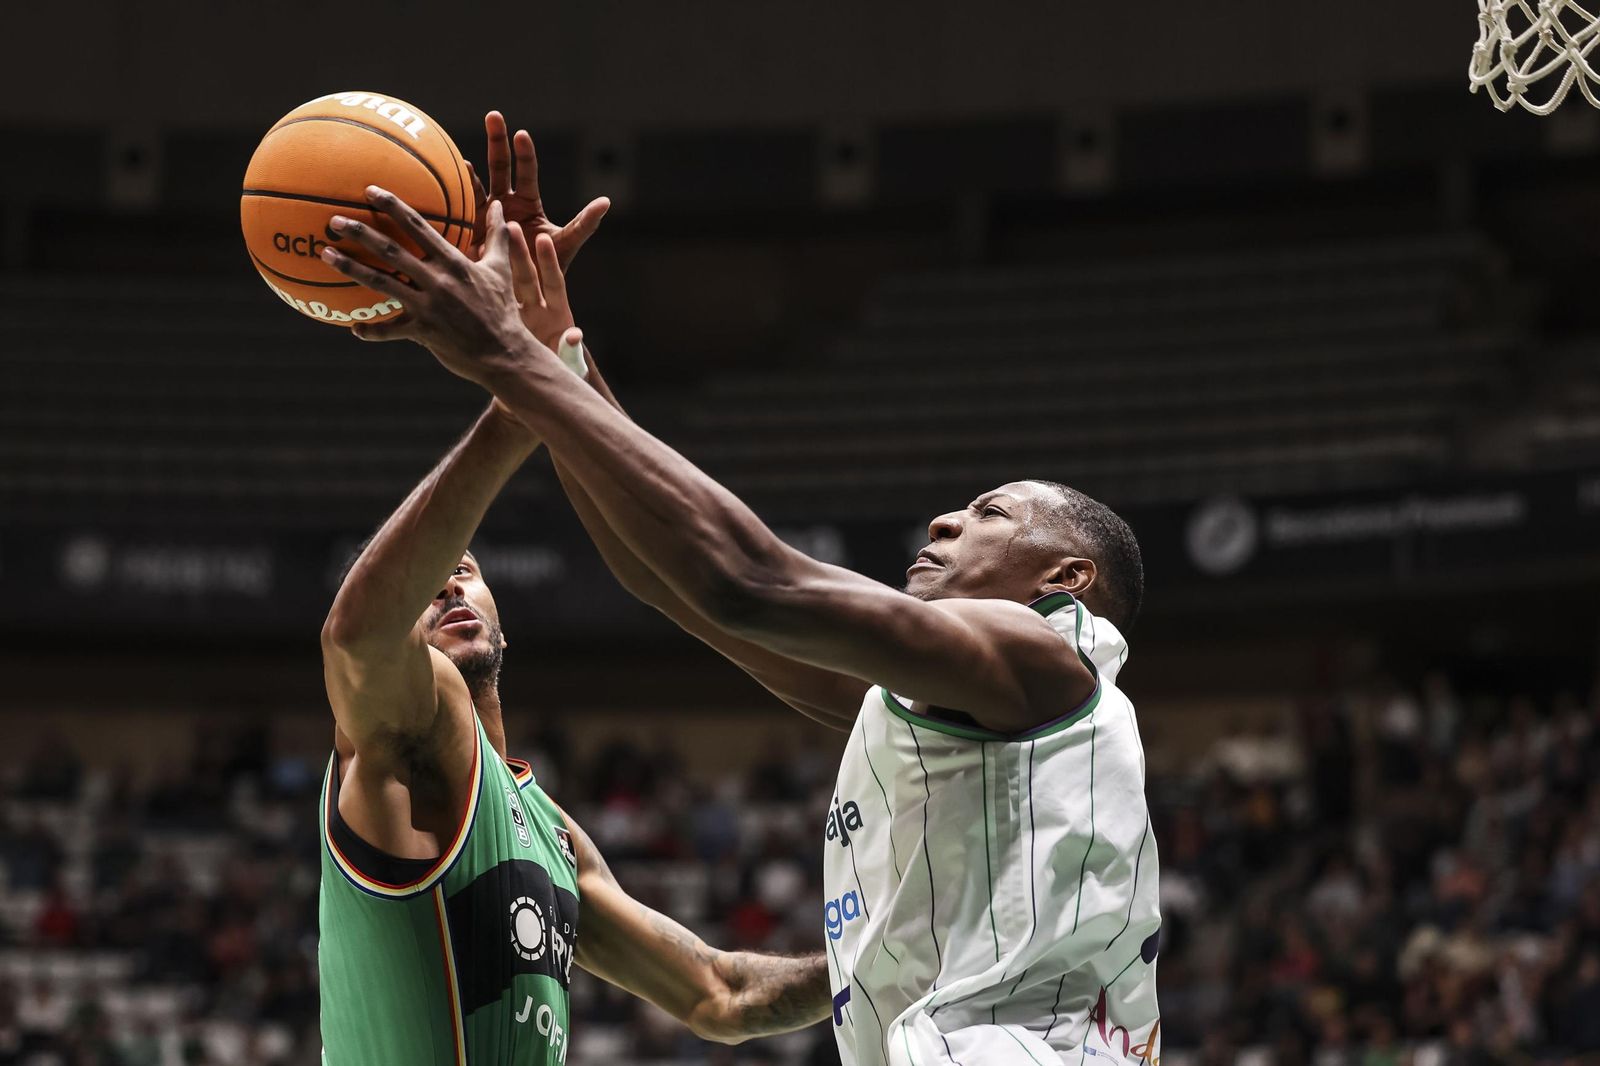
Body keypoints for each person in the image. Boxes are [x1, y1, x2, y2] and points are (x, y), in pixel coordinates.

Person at [321, 141, 1162, 1066]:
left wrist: (512, 361)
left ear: (1065, 581)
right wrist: (558, 357)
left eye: (988, 512)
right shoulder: (958, 719)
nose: (945, 518)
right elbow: (676, 585)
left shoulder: (1041, 659)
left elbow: (746, 581)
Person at [315, 113, 829, 1066]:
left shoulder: (548, 833)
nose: (451, 587)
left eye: (469, 571)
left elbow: (722, 993)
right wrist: (526, 387)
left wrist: (888, 955)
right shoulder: (416, 730)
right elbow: (355, 637)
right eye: (434, 583)